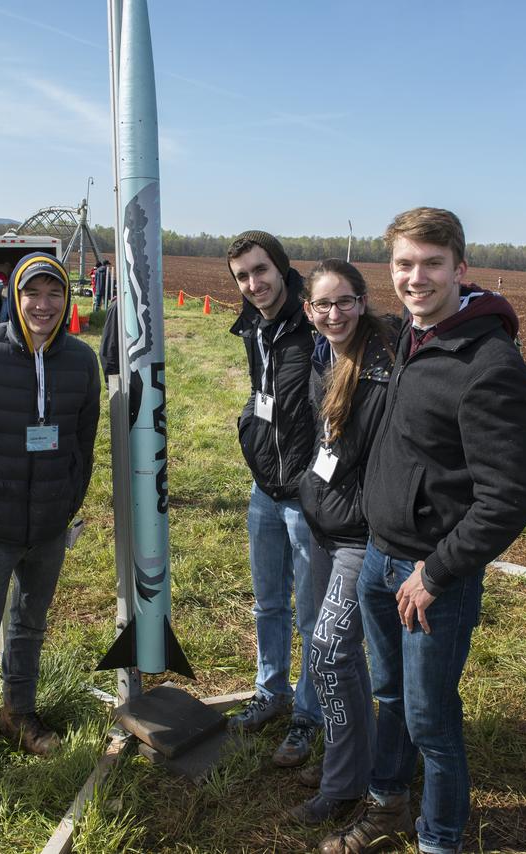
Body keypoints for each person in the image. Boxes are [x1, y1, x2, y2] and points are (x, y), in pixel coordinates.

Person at [320, 208, 526, 854]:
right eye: (404, 265)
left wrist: (437, 573)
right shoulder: (407, 339)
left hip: (431, 578)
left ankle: (439, 839)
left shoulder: (488, 362)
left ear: (460, 268)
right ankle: (387, 802)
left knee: (431, 720)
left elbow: (511, 497)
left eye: (431, 264)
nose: (416, 278)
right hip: (379, 560)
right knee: (390, 695)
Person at [0, 252, 101, 807]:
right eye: (34, 293)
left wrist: (69, 504)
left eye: (55, 294)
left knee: (29, 625)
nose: (44, 305)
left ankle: (19, 713)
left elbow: (84, 441)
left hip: (50, 525)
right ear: (15, 296)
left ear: (68, 301)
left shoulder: (81, 361)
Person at [288, 259, 395, 826]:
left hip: (363, 533)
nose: (334, 314)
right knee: (335, 652)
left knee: (329, 649)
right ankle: (354, 756)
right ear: (309, 310)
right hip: (325, 522)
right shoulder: (320, 356)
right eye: (322, 305)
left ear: (363, 300)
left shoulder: (387, 360)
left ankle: (345, 782)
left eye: (345, 301)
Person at [226, 230, 327, 767]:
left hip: (307, 495)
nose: (253, 284)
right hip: (264, 488)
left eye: (260, 271)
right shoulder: (255, 327)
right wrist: (250, 428)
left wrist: (318, 479)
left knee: (311, 615)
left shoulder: (313, 321)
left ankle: (309, 716)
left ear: (281, 268)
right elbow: (264, 395)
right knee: (268, 602)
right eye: (242, 276)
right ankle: (272, 691)